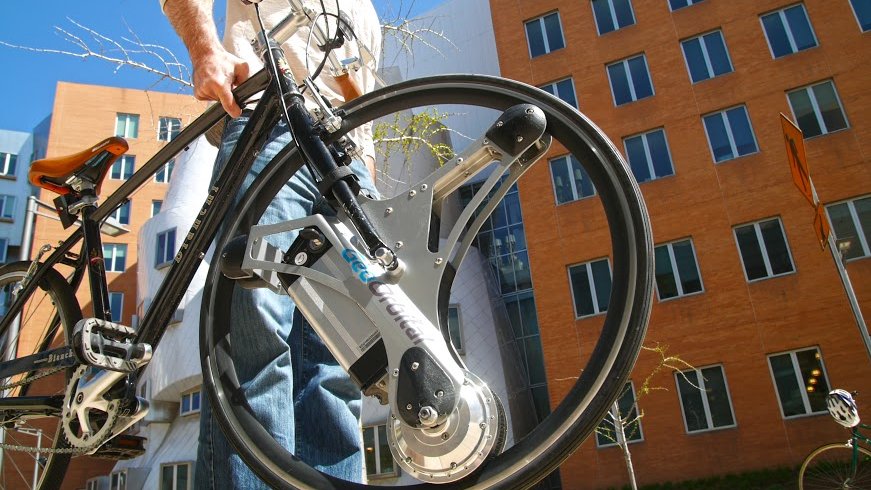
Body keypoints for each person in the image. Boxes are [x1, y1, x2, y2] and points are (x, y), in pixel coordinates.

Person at [160, 0, 381, 487]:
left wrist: (367, 183)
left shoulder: (367, 14)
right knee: (254, 333)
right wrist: (205, 51)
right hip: (271, 123)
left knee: (340, 362)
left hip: (345, 161)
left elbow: (360, 99)